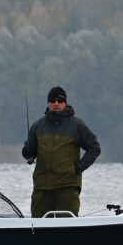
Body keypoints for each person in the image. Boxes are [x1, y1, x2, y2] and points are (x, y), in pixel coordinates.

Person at [21, 86, 100, 218]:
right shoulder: (37, 126)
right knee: (39, 230)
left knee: (67, 229)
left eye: (60, 100)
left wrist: (78, 168)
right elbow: (29, 153)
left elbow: (94, 148)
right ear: (48, 103)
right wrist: (27, 152)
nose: (56, 103)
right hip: (41, 189)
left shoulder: (77, 126)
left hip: (67, 188)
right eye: (52, 100)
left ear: (65, 103)